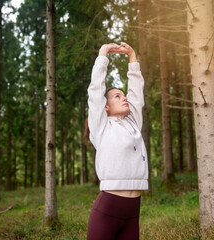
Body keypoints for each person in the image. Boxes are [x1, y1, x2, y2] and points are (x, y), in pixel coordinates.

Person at [86, 42, 148, 240]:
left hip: (132, 211)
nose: (124, 98)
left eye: (124, 95)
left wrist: (132, 57)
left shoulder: (133, 123)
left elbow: (137, 94)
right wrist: (103, 53)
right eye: (117, 96)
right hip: (108, 210)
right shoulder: (102, 127)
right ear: (105, 107)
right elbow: (96, 90)